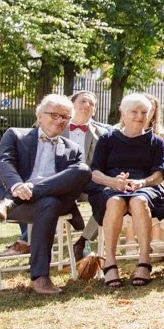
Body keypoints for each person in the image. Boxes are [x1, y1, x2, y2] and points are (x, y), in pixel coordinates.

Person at [0, 95, 91, 295]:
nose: (60, 120)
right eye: (55, 115)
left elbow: (73, 183)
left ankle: (10, 202)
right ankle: (40, 277)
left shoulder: (72, 148)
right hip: (21, 203)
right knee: (50, 202)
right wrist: (17, 186)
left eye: (66, 117)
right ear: (40, 115)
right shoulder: (15, 135)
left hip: (29, 203)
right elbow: (4, 162)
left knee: (83, 170)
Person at [90, 93, 164, 287]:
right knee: (115, 202)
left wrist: (142, 183)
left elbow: (159, 174)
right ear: (123, 113)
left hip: (146, 187)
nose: (139, 116)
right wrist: (112, 182)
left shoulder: (156, 142)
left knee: (138, 201)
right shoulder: (107, 139)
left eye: (144, 112)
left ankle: (144, 260)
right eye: (134, 111)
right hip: (111, 187)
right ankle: (110, 261)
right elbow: (94, 171)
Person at [64, 90, 110, 263]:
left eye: (92, 104)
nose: (87, 105)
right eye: (83, 101)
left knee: (108, 198)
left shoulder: (103, 133)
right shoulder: (57, 126)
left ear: (95, 111)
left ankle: (83, 241)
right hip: (62, 183)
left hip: (90, 182)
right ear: (72, 105)